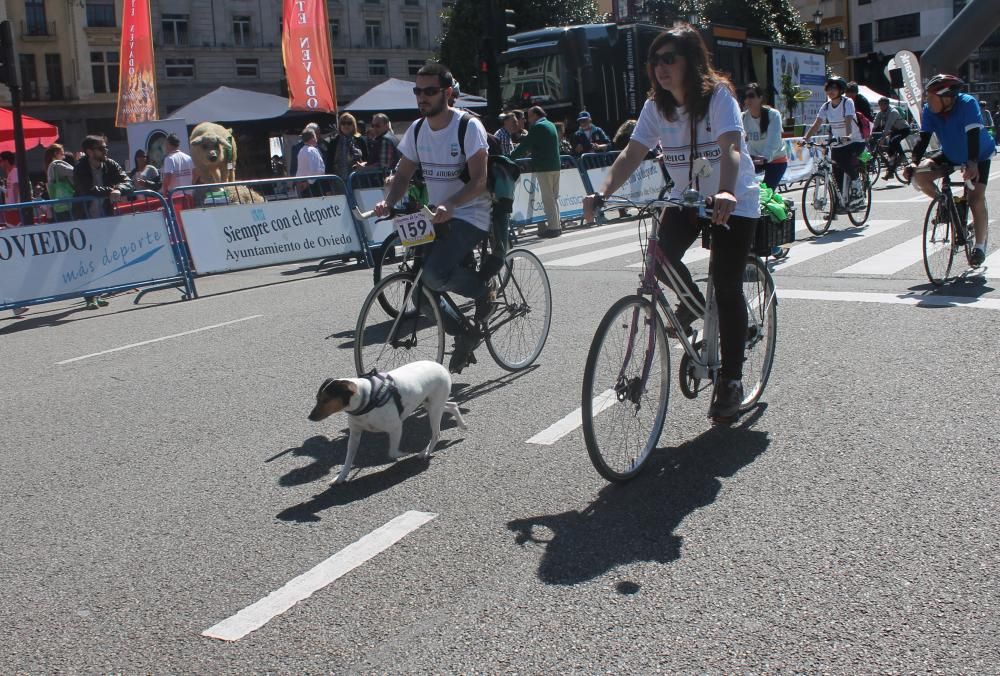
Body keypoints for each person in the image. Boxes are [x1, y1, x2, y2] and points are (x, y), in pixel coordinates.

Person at [582, 23, 760, 422]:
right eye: (654, 61)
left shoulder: (718, 97)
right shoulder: (655, 107)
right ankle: (697, 305)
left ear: (691, 62)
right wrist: (602, 194)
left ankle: (730, 379)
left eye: (669, 59)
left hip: (734, 199)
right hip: (687, 198)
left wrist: (728, 191)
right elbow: (631, 154)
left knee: (727, 287)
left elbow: (731, 147)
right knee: (657, 255)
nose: (660, 68)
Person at [373, 62, 494, 373]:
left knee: (433, 275)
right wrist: (388, 203)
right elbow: (402, 176)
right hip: (435, 215)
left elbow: (479, 180)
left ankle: (484, 289)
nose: (422, 97)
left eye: (429, 91)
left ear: (448, 93)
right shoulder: (416, 130)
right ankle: (465, 333)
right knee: (419, 290)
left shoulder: (467, 127)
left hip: (470, 213)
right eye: (418, 91)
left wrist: (452, 204)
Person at [903, 74, 995, 267]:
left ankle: (979, 247)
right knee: (920, 175)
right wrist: (913, 162)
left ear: (946, 97)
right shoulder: (929, 110)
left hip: (978, 154)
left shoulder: (967, 103)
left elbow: (972, 134)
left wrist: (971, 162)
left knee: (975, 197)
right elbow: (923, 139)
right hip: (951, 153)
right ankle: (946, 203)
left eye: (930, 96)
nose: (926, 100)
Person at [73, 135, 132, 309]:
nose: (106, 150)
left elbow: (127, 181)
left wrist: (119, 189)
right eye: (101, 148)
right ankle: (89, 296)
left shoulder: (110, 164)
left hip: (104, 216)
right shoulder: (80, 168)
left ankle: (97, 293)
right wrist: (112, 191)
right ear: (90, 151)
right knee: (86, 259)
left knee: (99, 257)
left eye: (106, 147)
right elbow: (87, 189)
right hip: (85, 219)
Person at [800, 76, 865, 209]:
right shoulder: (826, 106)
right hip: (838, 142)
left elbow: (848, 119)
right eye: (829, 88)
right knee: (836, 173)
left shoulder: (847, 102)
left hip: (855, 141)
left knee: (843, 162)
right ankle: (839, 205)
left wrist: (847, 135)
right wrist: (805, 138)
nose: (831, 91)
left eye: (834, 88)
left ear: (840, 90)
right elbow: (817, 123)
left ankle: (857, 186)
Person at [742, 82, 789, 259]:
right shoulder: (743, 117)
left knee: (764, 198)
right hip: (755, 160)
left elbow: (774, 140)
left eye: (752, 96)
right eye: (746, 96)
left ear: (761, 98)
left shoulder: (772, 115)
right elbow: (739, 139)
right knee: (745, 195)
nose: (748, 100)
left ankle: (774, 243)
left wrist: (766, 157)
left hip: (775, 160)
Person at [511, 105, 563, 238]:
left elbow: (525, 146)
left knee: (548, 198)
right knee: (554, 197)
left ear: (535, 115)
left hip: (544, 167)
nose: (528, 119)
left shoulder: (537, 127)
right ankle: (557, 225)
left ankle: (553, 228)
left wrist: (509, 157)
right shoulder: (550, 125)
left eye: (529, 116)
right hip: (555, 166)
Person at [872, 96, 912, 179]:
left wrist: (882, 138)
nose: (881, 107)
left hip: (903, 129)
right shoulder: (881, 113)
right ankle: (891, 171)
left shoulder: (893, 112)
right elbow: (875, 124)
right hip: (895, 131)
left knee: (893, 141)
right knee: (890, 151)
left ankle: (902, 155)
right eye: (880, 105)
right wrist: (868, 134)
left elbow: (888, 126)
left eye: (883, 105)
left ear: (887, 105)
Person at [327, 112, 368, 180]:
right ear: (340, 125)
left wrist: (363, 164)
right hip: (338, 181)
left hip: (358, 179)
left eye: (349, 123)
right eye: (343, 123)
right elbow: (329, 163)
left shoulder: (360, 140)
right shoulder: (334, 141)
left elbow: (367, 159)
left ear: (354, 125)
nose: (346, 126)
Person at [45, 143, 76, 222]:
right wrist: (78, 160)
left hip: (58, 205)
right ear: (56, 153)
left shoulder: (49, 166)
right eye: (62, 154)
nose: (64, 157)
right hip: (66, 204)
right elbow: (75, 172)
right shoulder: (58, 166)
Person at [295, 128, 326, 197]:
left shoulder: (301, 151)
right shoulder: (313, 150)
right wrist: (309, 182)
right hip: (313, 184)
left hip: (301, 183)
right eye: (315, 137)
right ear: (312, 138)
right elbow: (317, 168)